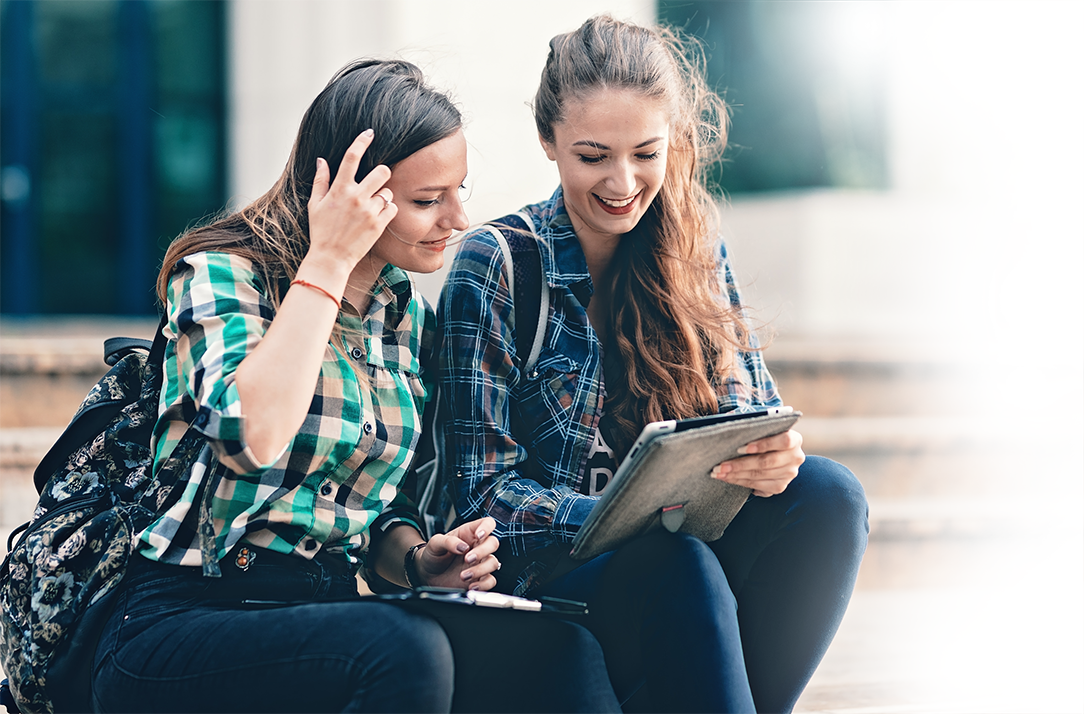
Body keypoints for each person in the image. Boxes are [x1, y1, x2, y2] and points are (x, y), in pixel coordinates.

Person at [91, 59, 618, 714]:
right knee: (402, 647)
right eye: (428, 201)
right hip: (183, 615)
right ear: (348, 196)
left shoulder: (403, 316)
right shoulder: (221, 275)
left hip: (330, 610)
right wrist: (330, 260)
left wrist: (421, 561)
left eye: (458, 190)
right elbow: (249, 435)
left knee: (562, 648)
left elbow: (383, 515)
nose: (458, 218)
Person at [438, 16, 869, 714]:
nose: (623, 182)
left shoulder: (693, 245)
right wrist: (619, 516)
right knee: (678, 558)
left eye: (646, 153)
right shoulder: (497, 265)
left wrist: (771, 457)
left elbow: (750, 413)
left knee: (828, 495)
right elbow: (482, 495)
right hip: (558, 584)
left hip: (681, 554)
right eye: (593, 156)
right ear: (548, 142)